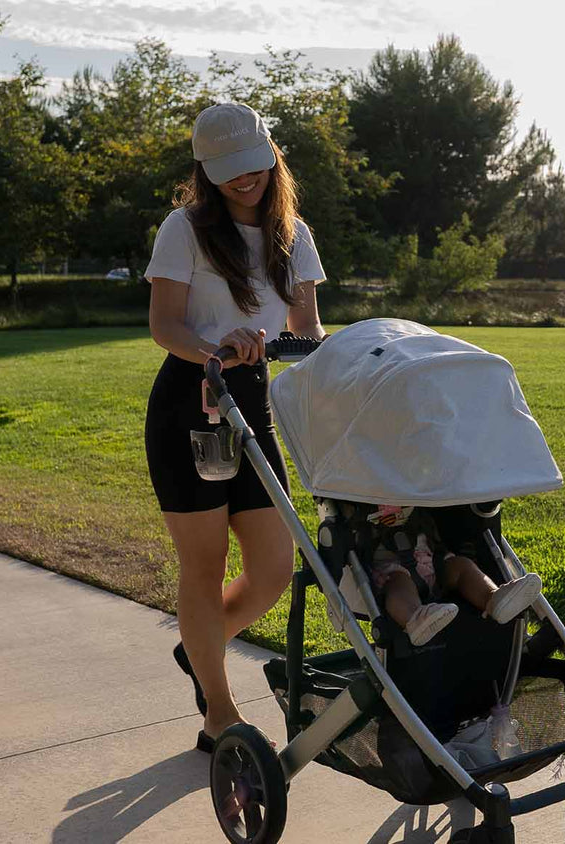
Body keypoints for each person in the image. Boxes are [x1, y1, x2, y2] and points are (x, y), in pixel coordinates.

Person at [144, 102, 326, 753]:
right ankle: (218, 713)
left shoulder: (293, 235)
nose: (241, 181)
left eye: (250, 166)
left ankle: (201, 646)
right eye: (225, 172)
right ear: (206, 171)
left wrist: (295, 346)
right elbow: (164, 325)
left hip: (255, 405)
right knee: (205, 563)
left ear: (270, 155)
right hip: (191, 402)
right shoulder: (184, 229)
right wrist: (218, 347)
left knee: (275, 565)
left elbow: (307, 329)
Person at [367, 505, 543, 646]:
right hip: (390, 567)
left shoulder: (418, 486)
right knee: (398, 584)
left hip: (431, 560)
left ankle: (493, 598)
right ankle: (415, 619)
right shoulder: (360, 494)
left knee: (461, 565)